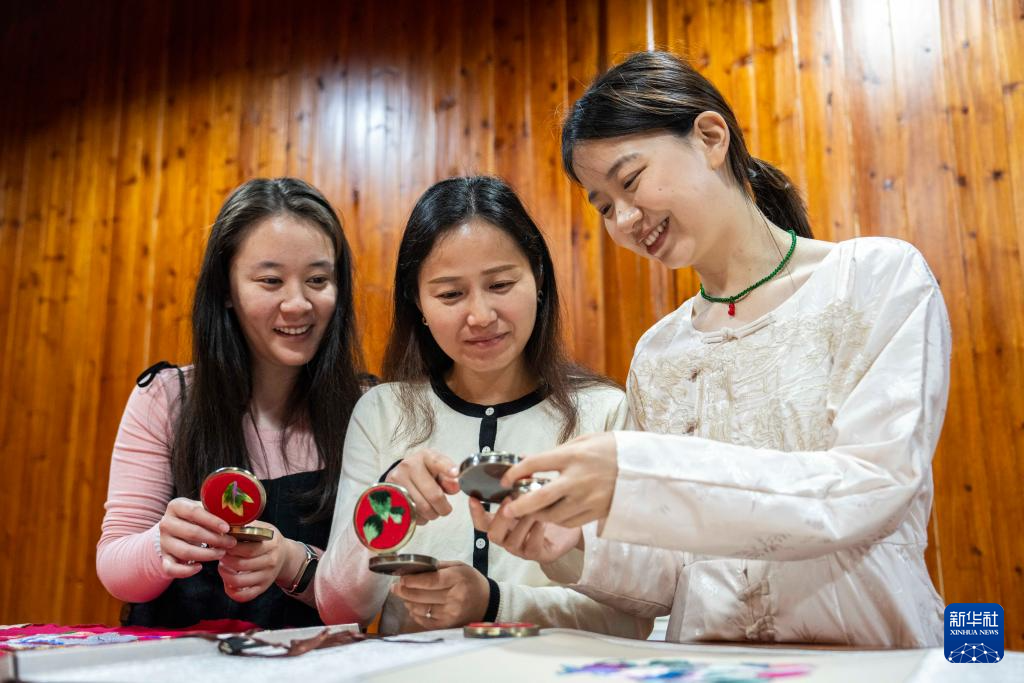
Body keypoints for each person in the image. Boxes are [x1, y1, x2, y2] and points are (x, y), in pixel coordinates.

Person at [481, 51, 951, 648]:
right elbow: (673, 573)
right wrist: (571, 545)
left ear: (709, 137)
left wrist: (635, 473)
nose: (625, 218)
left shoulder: (876, 278)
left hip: (873, 658)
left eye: (630, 181)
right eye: (603, 206)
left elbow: (871, 486)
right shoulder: (660, 352)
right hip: (712, 664)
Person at [316, 176, 651, 639]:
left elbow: (633, 615)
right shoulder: (381, 412)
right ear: (417, 301)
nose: (480, 316)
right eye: (450, 294)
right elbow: (338, 609)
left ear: (538, 279)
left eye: (500, 284)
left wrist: (495, 602)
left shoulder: (604, 414)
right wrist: (386, 500)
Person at [97, 177, 366, 628]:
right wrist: (162, 544)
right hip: (175, 657)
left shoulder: (365, 408)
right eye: (271, 281)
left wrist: (290, 561)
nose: (298, 303)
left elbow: (368, 596)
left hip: (307, 660)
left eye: (318, 280)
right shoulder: (165, 397)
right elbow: (116, 568)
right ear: (225, 289)